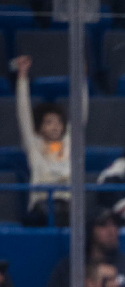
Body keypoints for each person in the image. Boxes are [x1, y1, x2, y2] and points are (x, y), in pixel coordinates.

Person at [14, 54, 88, 228]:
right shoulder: (34, 145)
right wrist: (22, 77)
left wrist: (82, 79)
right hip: (41, 206)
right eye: (49, 122)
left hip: (69, 204)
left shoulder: (71, 141)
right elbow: (23, 113)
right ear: (39, 127)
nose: (55, 126)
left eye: (58, 122)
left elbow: (80, 111)